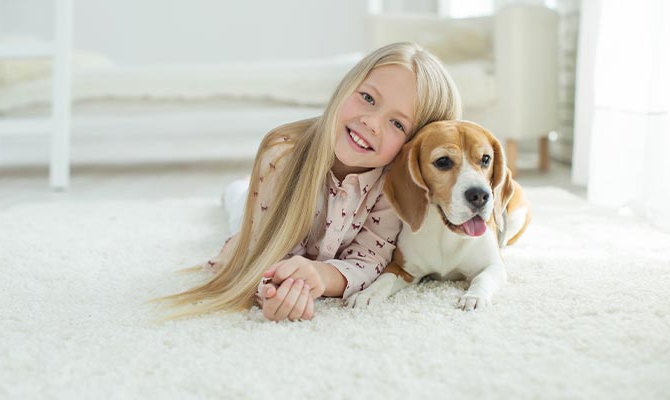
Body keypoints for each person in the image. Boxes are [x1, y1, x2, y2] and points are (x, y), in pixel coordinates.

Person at [159, 42, 462, 322]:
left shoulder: (394, 183)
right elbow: (258, 253)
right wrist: (275, 288)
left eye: (397, 123)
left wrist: (320, 276)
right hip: (263, 219)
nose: (371, 122)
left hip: (322, 251)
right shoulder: (281, 154)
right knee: (238, 212)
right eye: (367, 98)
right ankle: (236, 189)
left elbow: (371, 259)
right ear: (346, 87)